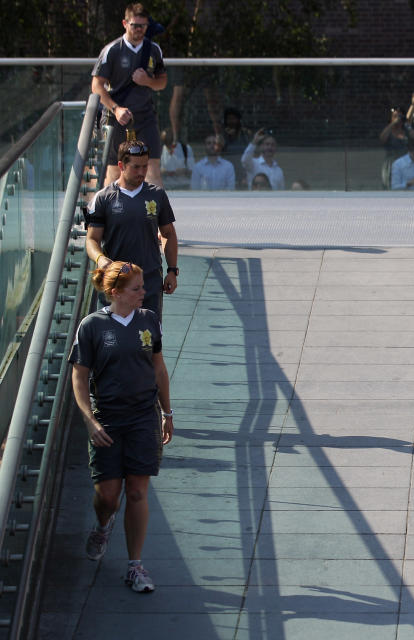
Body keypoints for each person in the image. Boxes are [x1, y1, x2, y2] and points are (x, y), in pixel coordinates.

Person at [70, 260, 174, 593]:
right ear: (116, 293)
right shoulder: (92, 327)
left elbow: (158, 369)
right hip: (108, 418)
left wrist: (167, 413)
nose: (144, 293)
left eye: (143, 287)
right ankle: (103, 525)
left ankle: (135, 565)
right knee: (109, 496)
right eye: (137, 289)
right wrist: (89, 419)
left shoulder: (149, 320)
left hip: (143, 416)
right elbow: (80, 377)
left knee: (137, 491)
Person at [86, 140, 178, 318]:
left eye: (145, 166)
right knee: (113, 341)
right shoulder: (103, 198)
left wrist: (172, 271)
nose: (142, 172)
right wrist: (100, 259)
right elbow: (92, 240)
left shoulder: (157, 195)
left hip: (149, 284)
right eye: (136, 167)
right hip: (115, 285)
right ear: (121, 165)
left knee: (149, 343)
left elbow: (168, 233)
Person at [91, 3, 168, 188]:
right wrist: (116, 109)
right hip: (116, 118)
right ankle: (111, 213)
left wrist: (147, 81)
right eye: (135, 25)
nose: (139, 30)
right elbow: (96, 86)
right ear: (125, 24)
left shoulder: (153, 50)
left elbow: (162, 82)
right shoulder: (112, 50)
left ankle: (154, 214)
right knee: (115, 171)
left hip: (145, 116)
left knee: (152, 168)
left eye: (143, 25)